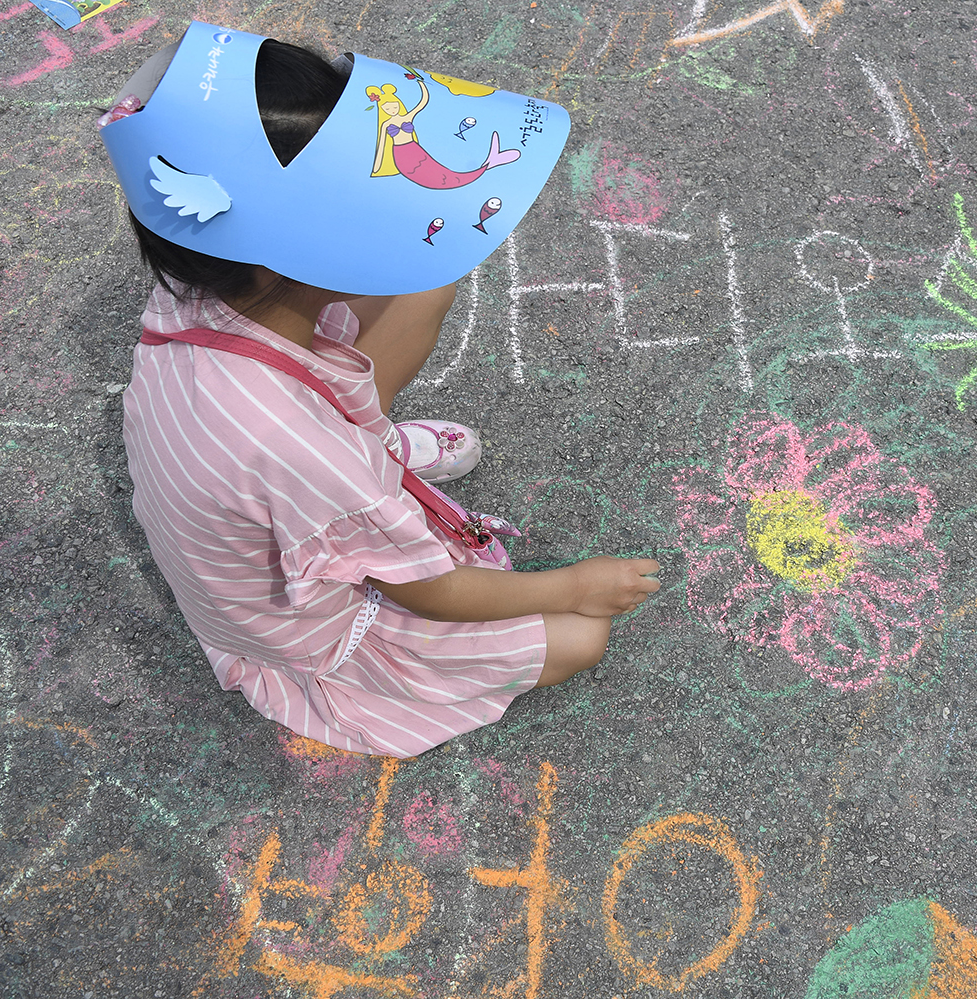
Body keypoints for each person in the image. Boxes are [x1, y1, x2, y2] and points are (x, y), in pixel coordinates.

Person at [100, 25, 658, 757]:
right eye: (364, 203)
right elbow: (428, 591)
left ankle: (372, 460)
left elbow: (294, 421)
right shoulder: (291, 444)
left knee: (430, 272)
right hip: (303, 624)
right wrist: (573, 584)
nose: (393, 206)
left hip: (273, 469)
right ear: (282, 257)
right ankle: (371, 481)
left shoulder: (197, 287)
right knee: (582, 637)